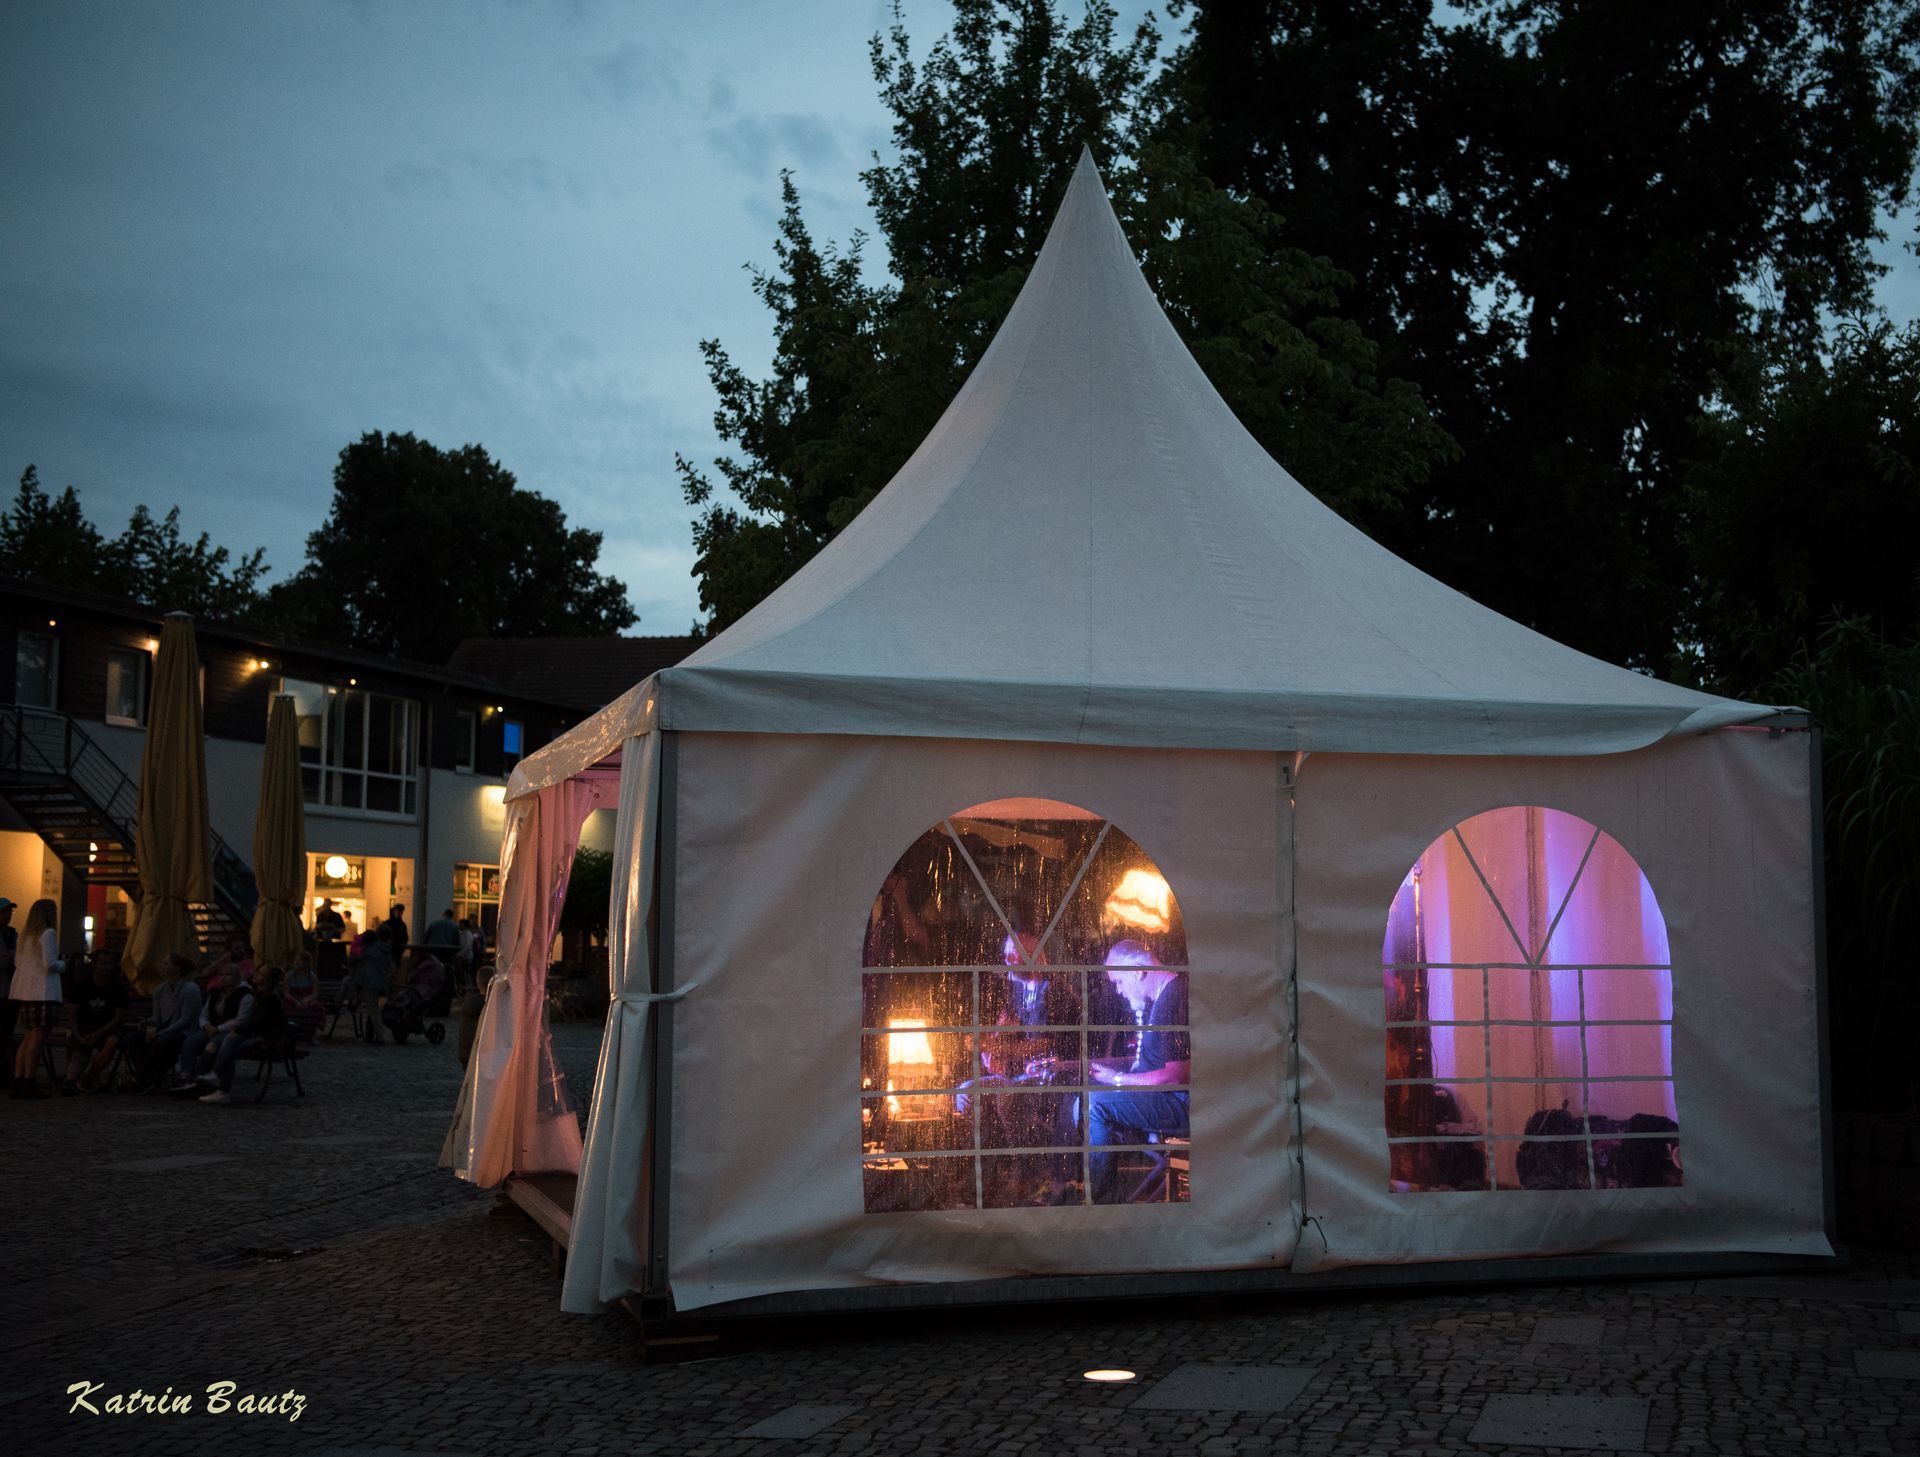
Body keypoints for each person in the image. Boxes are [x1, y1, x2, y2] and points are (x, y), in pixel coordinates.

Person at [1085, 940, 1189, 1203]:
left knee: (1094, 1105)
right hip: (1168, 1100)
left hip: (1181, 1104)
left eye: (1119, 981)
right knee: (1085, 1097)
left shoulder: (1174, 998)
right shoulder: (1164, 997)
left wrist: (1118, 1079)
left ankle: (1102, 1201)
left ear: (1137, 972)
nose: (1119, 991)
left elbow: (1177, 1076)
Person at [198, 965, 289, 1105]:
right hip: (258, 1035)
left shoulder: (269, 997)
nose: (256, 974)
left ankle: (221, 1084)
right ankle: (220, 1085)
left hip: (268, 1040)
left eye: (260, 974)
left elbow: (259, 1023)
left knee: (229, 1045)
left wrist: (238, 1031)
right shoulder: (261, 994)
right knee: (228, 1042)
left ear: (267, 980)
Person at [120, 953, 203, 1090]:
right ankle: (147, 1075)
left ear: (177, 968)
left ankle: (140, 1077)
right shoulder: (160, 990)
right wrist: (146, 1023)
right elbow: (157, 1018)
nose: (162, 966)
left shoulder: (190, 989)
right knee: (131, 1039)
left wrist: (160, 1033)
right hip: (163, 1030)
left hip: (184, 1032)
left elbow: (185, 1020)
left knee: (161, 1041)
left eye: (166, 963)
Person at [9, 898, 64, 1098]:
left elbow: (18, 962)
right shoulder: (48, 933)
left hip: (25, 991)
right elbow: (49, 964)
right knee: (38, 1039)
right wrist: (63, 964)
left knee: (28, 1037)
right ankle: (30, 1082)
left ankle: (19, 1080)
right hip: (44, 991)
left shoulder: (25, 935)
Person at [172, 960, 254, 1089]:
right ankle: (185, 1076)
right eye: (221, 975)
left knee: (211, 1046)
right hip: (211, 1028)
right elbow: (204, 1013)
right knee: (191, 1042)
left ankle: (199, 1078)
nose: (223, 978)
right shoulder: (216, 993)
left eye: (228, 975)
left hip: (229, 1031)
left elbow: (241, 1019)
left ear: (237, 977)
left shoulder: (245, 995)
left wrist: (219, 1029)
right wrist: (207, 1025)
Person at [64, 949, 130, 1092]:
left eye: (110, 964)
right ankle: (69, 1082)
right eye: (104, 964)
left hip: (107, 1029)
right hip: (83, 1027)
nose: (108, 968)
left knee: (112, 1042)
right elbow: (71, 1014)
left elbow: (118, 1018)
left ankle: (89, 1078)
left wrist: (98, 1034)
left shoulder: (118, 988)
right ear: (94, 965)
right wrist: (77, 1035)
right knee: (78, 1055)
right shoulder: (81, 985)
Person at [349, 931, 394, 1043]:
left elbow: (353, 962)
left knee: (373, 1010)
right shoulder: (383, 949)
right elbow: (392, 966)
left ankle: (380, 1037)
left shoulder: (366, 951)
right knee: (373, 1008)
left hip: (369, 982)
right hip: (381, 982)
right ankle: (356, 1001)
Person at [0, 897, 17, 1090]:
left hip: (10, 992)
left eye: (9, 912)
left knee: (6, 1033)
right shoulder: (11, 936)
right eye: (4, 912)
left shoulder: (12, 934)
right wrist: (15, 955)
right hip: (5, 990)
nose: (7, 915)